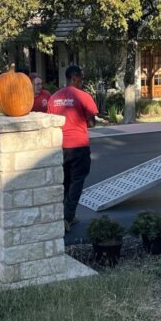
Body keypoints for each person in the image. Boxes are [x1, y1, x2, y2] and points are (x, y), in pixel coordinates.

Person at [48, 65, 98, 232]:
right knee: (77, 182)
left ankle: (61, 215)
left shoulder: (53, 98)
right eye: (81, 78)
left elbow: (50, 122)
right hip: (78, 146)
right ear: (75, 77)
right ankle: (67, 218)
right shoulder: (84, 96)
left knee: (64, 182)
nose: (82, 82)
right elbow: (91, 122)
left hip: (60, 147)